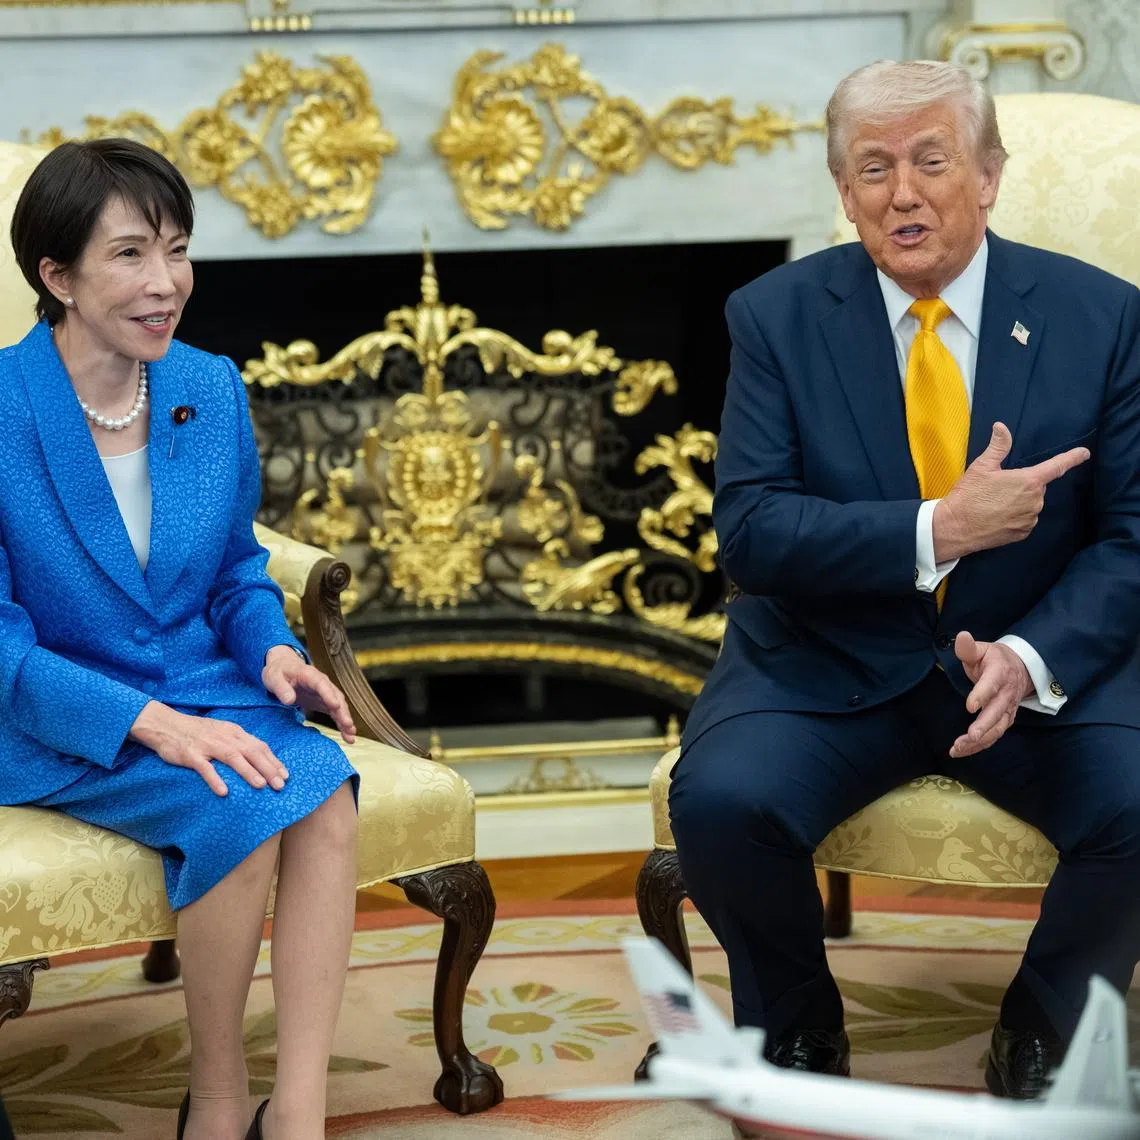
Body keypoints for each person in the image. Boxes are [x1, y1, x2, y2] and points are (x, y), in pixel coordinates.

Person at [670, 57, 1140, 1120]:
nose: (903, 193)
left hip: (1032, 663)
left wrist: (1029, 657)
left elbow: (1133, 536)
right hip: (831, 661)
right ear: (844, 194)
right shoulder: (773, 316)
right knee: (723, 800)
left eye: (932, 160)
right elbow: (749, 531)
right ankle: (794, 1021)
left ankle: (1046, 1024)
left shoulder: (1102, 316)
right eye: (873, 168)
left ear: (989, 175)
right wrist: (939, 529)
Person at [0, 139, 362, 1140]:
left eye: (177, 249)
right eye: (129, 256)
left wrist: (274, 653)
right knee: (235, 800)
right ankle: (213, 1101)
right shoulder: (0, 408)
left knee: (327, 795)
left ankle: (296, 1114)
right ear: (56, 277)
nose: (165, 284)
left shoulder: (211, 386)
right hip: (63, 716)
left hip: (214, 686)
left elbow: (238, 571)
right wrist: (151, 724)